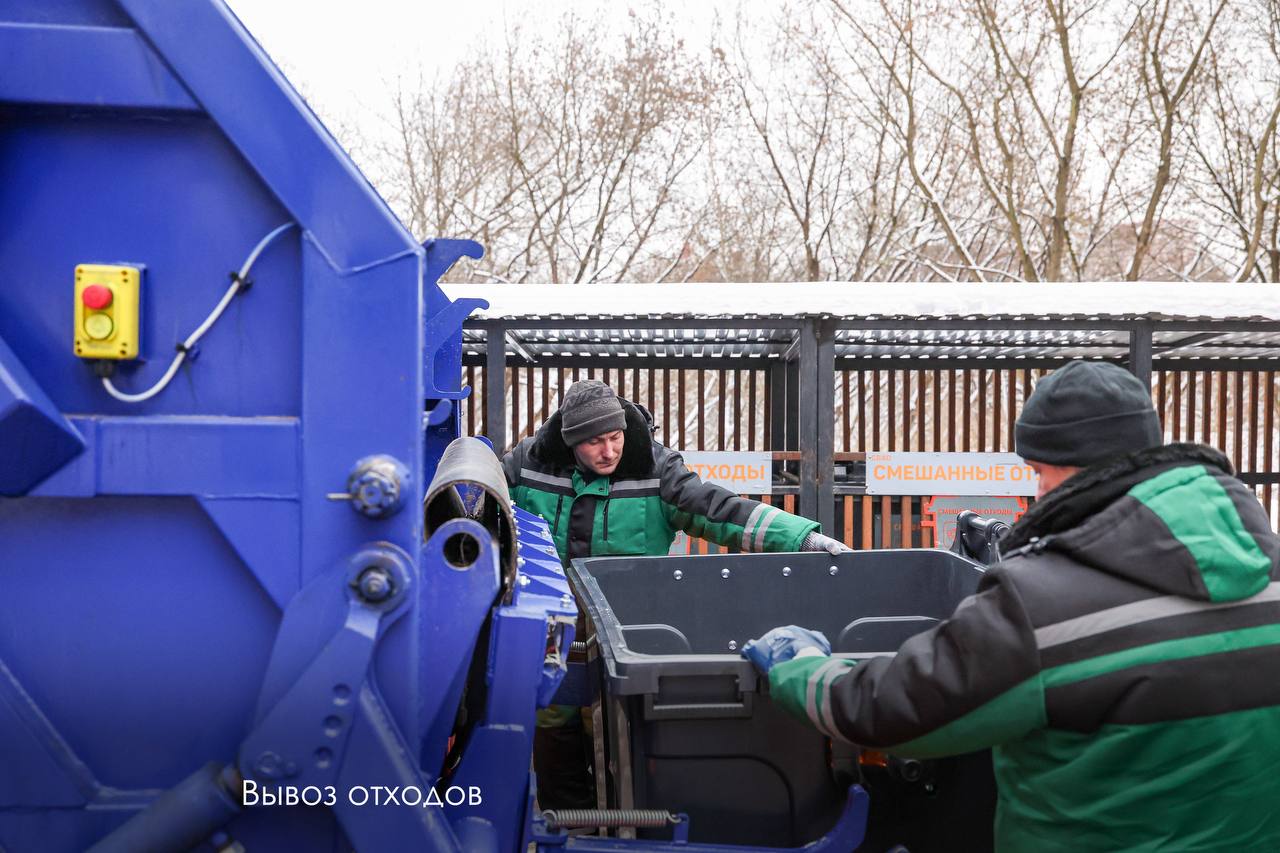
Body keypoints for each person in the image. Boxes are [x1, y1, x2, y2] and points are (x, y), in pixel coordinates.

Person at [744, 361, 1280, 851]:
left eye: (1039, 473)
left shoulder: (1048, 603)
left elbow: (892, 710)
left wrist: (801, 668)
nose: (1039, 492)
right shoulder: (1268, 565)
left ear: (1071, 467)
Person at [503, 379, 847, 809]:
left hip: (623, 643)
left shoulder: (657, 468)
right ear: (570, 442)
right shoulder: (527, 464)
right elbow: (479, 501)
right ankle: (564, 829)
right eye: (593, 442)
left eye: (614, 437)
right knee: (552, 733)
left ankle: (617, 833)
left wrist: (801, 539)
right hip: (551, 640)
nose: (609, 451)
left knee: (615, 742)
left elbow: (719, 510)